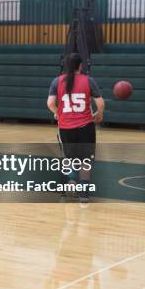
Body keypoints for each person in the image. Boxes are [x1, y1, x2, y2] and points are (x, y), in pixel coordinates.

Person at [47, 53, 104, 202]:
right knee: (85, 160)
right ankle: (84, 193)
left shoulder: (56, 81)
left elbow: (50, 103)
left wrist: (57, 113)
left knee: (69, 157)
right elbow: (100, 103)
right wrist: (99, 115)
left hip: (66, 127)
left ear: (66, 65)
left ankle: (69, 184)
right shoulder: (88, 81)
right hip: (85, 126)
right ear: (81, 65)